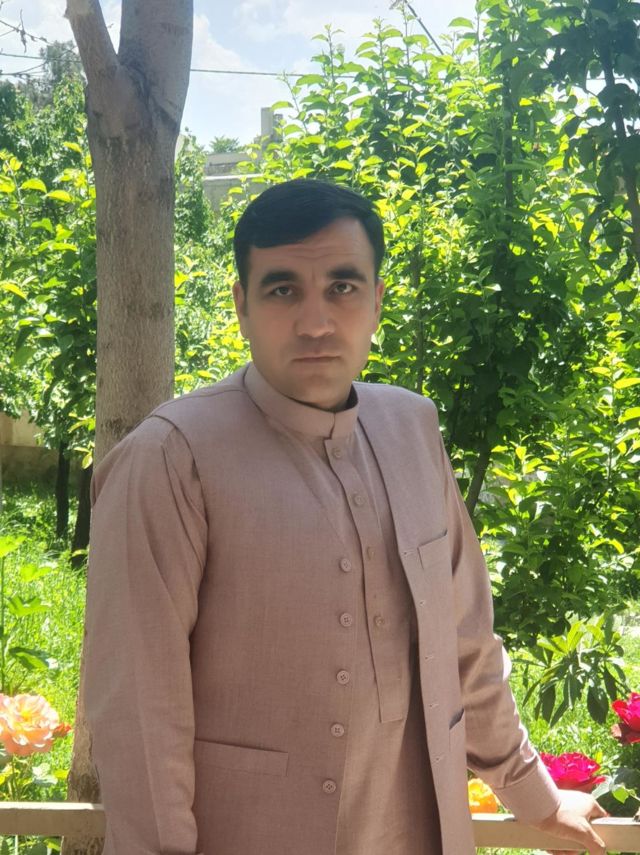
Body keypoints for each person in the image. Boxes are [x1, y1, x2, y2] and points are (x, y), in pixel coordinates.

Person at [84, 179, 607, 855]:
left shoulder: (412, 427)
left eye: (342, 287)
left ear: (377, 300)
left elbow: (465, 640)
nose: (316, 323)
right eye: (282, 290)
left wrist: (535, 795)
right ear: (241, 305)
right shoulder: (170, 459)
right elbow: (139, 716)